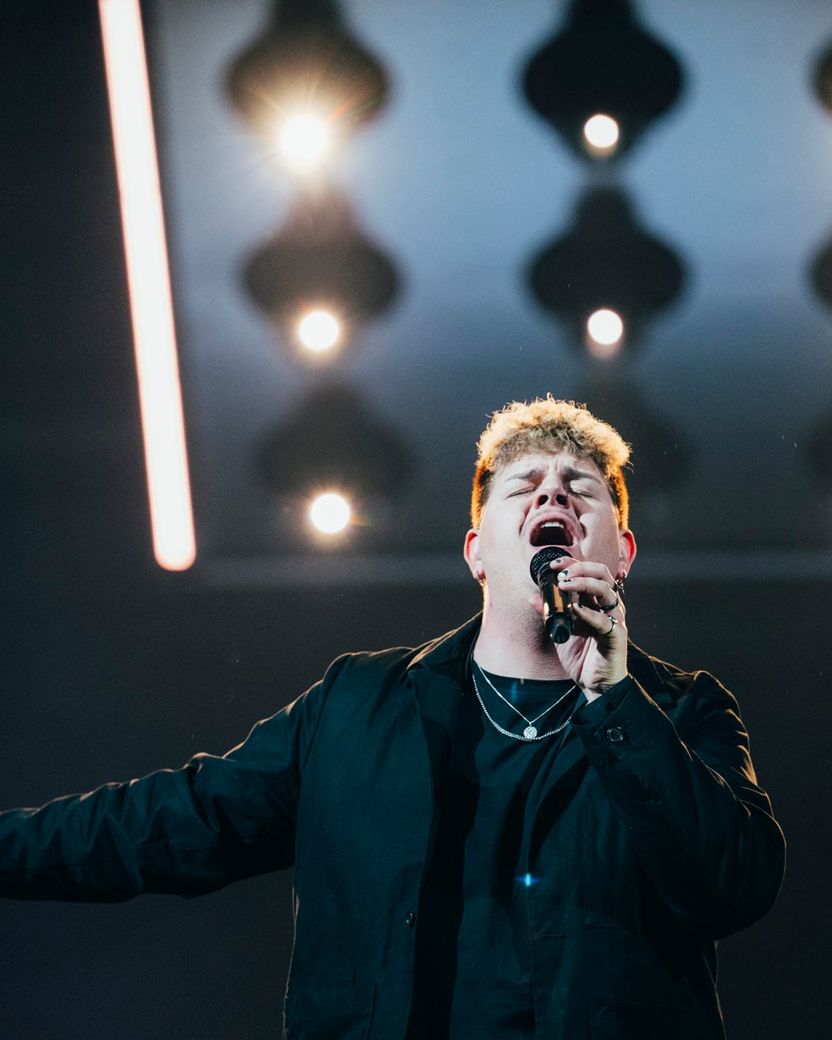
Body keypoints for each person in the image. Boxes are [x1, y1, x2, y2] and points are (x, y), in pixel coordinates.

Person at [0, 397, 785, 1039]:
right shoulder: (358, 706)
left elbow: (735, 886)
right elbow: (171, 821)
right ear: (476, 552)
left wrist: (613, 700)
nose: (554, 495)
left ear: (622, 555)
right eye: (525, 485)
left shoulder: (683, 710)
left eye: (581, 487)